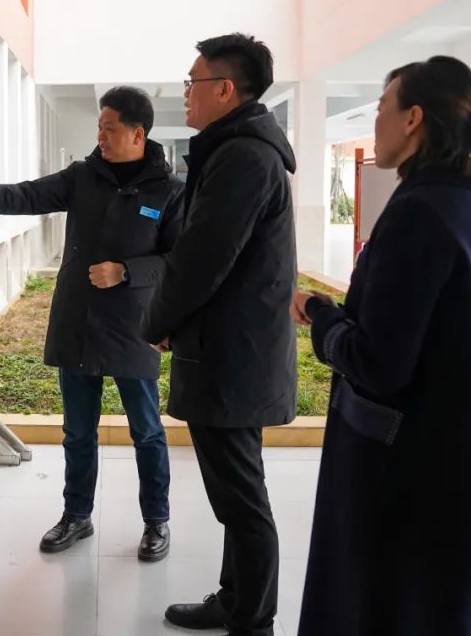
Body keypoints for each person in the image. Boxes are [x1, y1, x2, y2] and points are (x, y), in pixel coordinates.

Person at [291, 56, 471, 636]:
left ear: (413, 118)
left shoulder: (417, 213)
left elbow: (378, 364)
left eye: (380, 108)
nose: (374, 122)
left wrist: (320, 316)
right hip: (467, 460)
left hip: (408, 474)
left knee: (393, 606)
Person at [0, 86, 184, 561]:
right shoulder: (83, 177)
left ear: (138, 134)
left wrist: (126, 272)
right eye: (99, 128)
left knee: (147, 430)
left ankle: (156, 521)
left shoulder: (169, 191)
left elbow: (177, 260)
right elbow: (28, 194)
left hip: (134, 327)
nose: (101, 137)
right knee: (78, 430)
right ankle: (76, 515)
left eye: (110, 129)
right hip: (79, 322)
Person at [142, 33, 296, 636]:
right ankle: (236, 602)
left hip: (234, 357)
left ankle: (252, 621)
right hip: (233, 351)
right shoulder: (237, 151)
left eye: (193, 82)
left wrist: (157, 322)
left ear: (225, 89)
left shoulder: (243, 159)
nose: (186, 93)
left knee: (241, 499)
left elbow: (202, 260)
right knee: (237, 492)